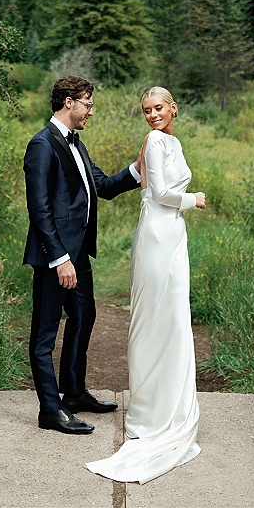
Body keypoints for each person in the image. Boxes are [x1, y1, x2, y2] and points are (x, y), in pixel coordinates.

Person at [86, 86, 206, 482]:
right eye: (146, 110)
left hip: (170, 234)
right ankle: (151, 412)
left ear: (174, 107)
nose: (152, 115)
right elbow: (160, 192)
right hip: (158, 233)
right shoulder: (156, 139)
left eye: (158, 108)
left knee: (172, 318)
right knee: (157, 319)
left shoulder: (172, 140)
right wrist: (195, 199)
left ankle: (166, 403)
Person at [23, 75, 141, 435]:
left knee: (83, 316)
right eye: (88, 103)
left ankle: (73, 393)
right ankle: (50, 410)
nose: (91, 110)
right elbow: (39, 209)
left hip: (79, 254)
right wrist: (59, 259)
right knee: (44, 336)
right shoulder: (42, 145)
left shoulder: (77, 144)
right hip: (54, 257)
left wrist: (138, 169)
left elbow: (102, 186)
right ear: (69, 102)